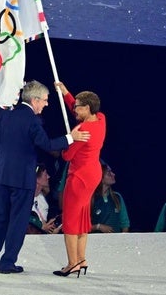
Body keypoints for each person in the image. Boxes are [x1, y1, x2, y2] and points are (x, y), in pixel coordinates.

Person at [0, 80, 90, 274]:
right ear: (34, 100)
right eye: (45, 100)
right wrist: (70, 138)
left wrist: (0, 170)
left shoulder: (6, 113)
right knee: (18, 220)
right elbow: (46, 144)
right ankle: (7, 263)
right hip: (23, 179)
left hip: (3, 176)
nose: (47, 104)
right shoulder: (32, 120)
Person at [52, 81, 106, 278]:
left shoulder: (82, 131)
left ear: (87, 108)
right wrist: (66, 93)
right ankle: (82, 259)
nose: (74, 108)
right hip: (94, 173)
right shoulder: (100, 119)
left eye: (78, 107)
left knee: (70, 221)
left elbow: (66, 156)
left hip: (80, 177)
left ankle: (72, 263)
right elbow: (76, 106)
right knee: (83, 218)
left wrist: (71, 137)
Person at [91, 163, 130, 233]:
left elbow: (125, 223)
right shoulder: (91, 199)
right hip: (96, 242)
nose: (113, 174)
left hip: (116, 242)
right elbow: (83, 227)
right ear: (101, 178)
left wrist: (123, 240)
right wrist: (99, 226)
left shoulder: (117, 197)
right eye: (109, 173)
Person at [28, 164, 60, 234]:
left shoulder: (42, 199)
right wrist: (41, 226)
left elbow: (44, 226)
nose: (48, 177)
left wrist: (49, 226)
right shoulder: (24, 198)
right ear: (37, 179)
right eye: (45, 175)